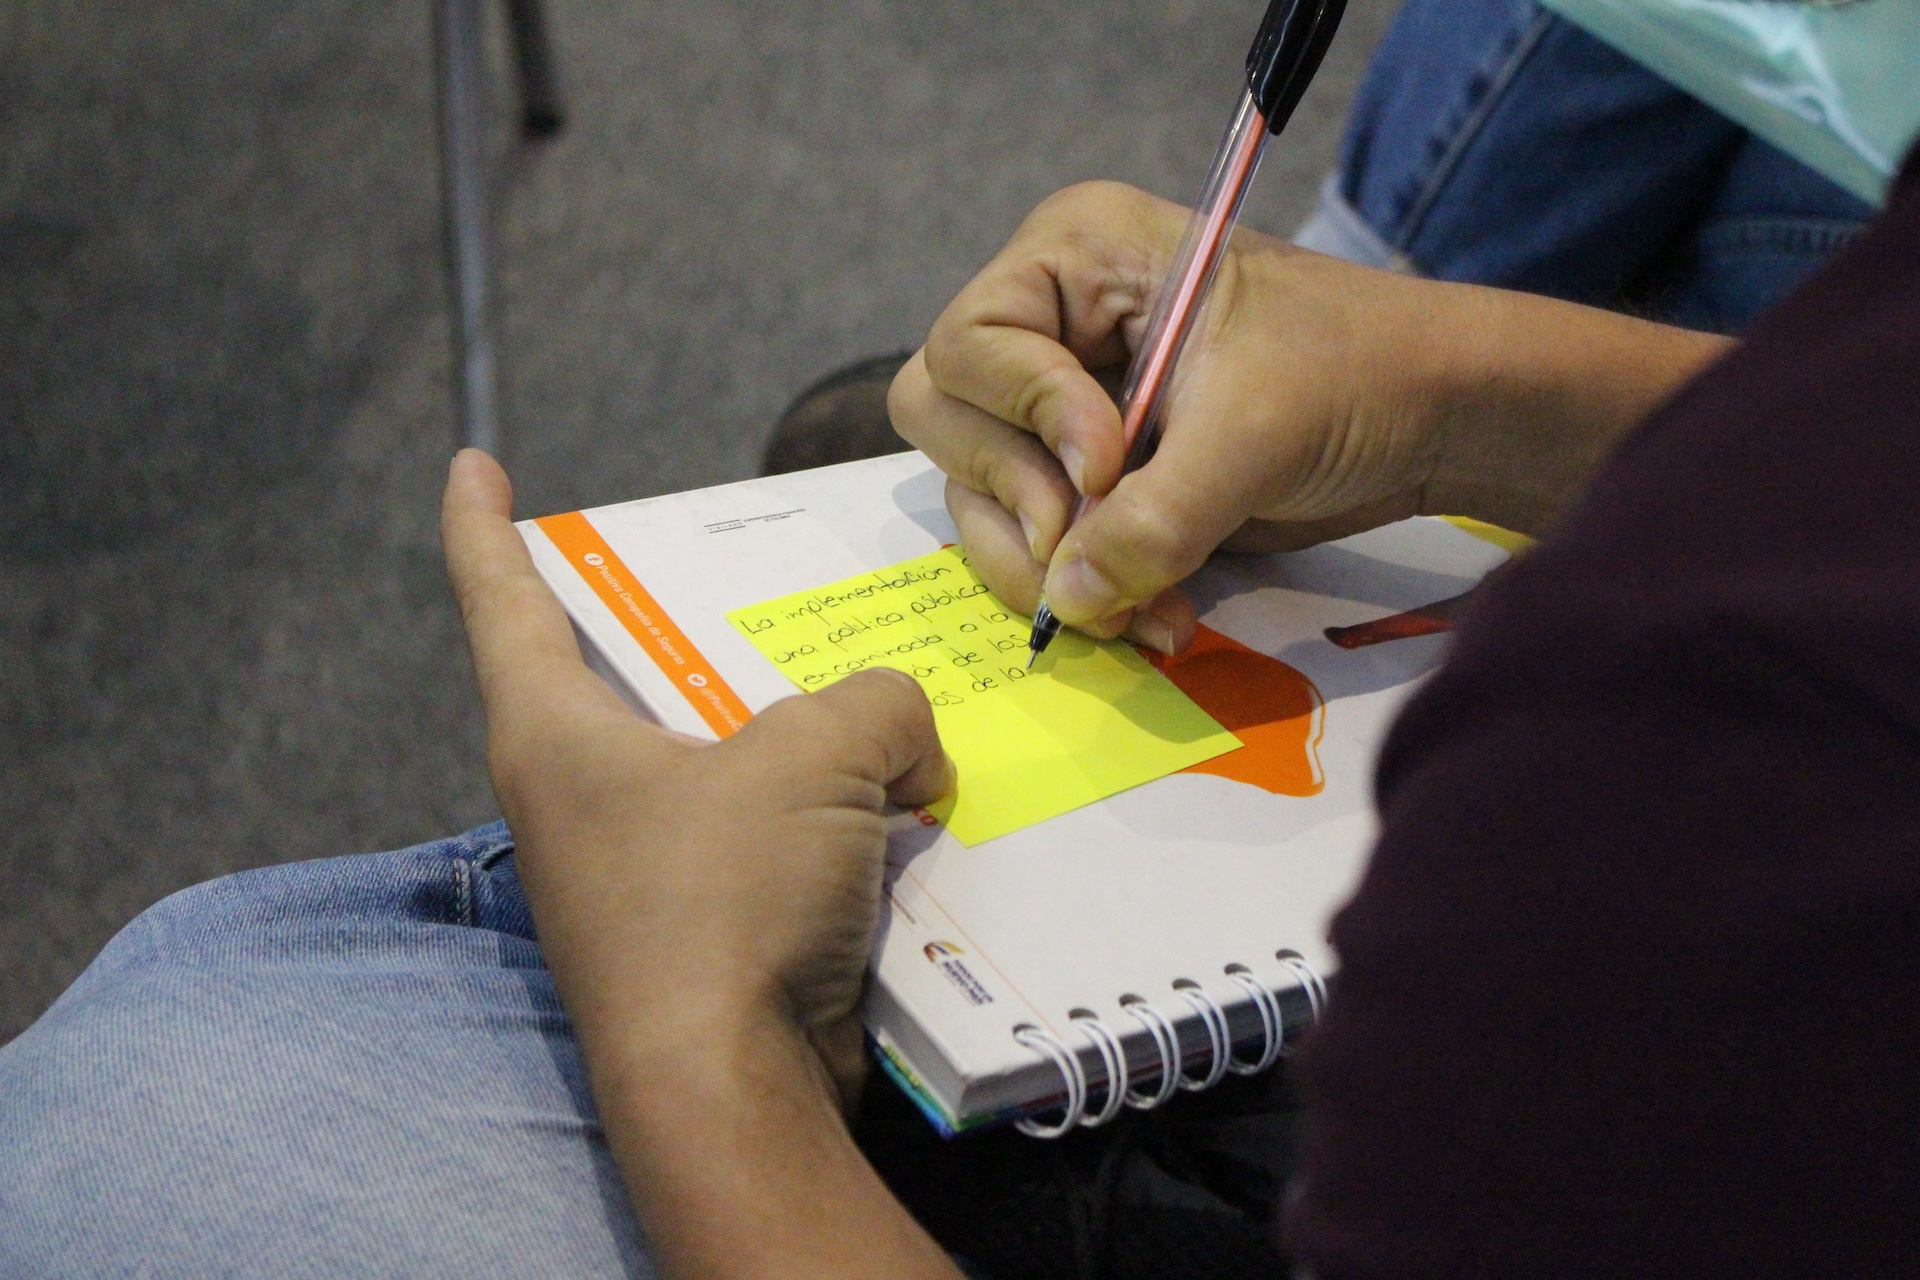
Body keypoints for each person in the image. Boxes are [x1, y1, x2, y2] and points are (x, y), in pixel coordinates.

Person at [8, 83, 1920, 1280]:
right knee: (862, 442)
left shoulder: (1709, 776)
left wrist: (710, 1058)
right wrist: (1455, 386)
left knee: (160, 1119)